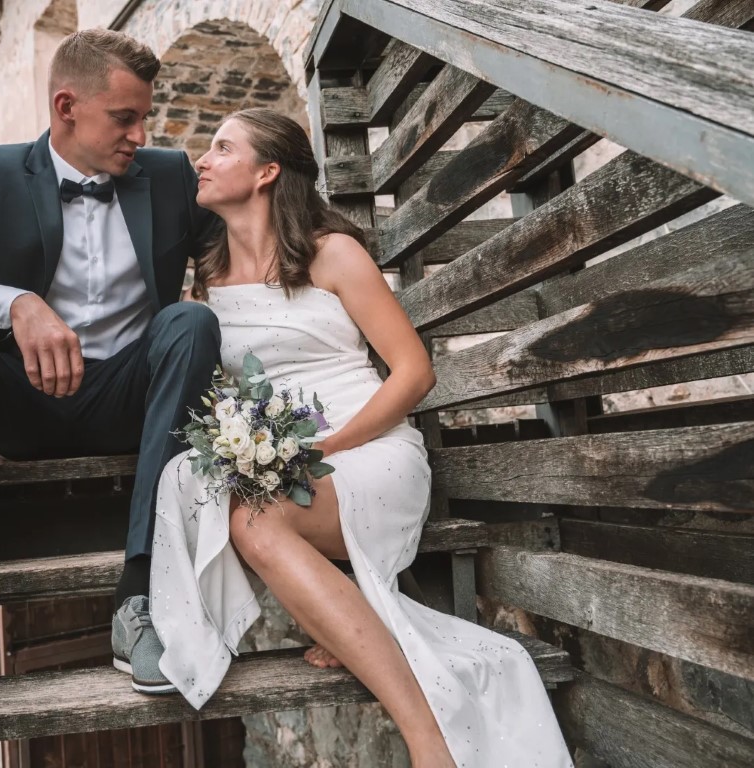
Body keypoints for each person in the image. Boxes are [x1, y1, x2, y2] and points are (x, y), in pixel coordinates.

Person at [147, 108, 573, 768]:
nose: (202, 161)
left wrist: (332, 445)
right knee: (227, 504)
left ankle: (427, 740)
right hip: (290, 462)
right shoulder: (202, 281)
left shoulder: (332, 253)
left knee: (257, 525)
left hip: (371, 450)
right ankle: (356, 633)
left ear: (267, 172)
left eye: (222, 148)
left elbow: (413, 370)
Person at [0, 29, 220, 721]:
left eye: (144, 117)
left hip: (130, 397)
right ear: (66, 106)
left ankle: (140, 598)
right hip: (26, 403)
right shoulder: (1, 172)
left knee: (191, 322)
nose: (139, 132)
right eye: (124, 118)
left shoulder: (171, 174)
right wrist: (14, 304)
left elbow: (249, 249)